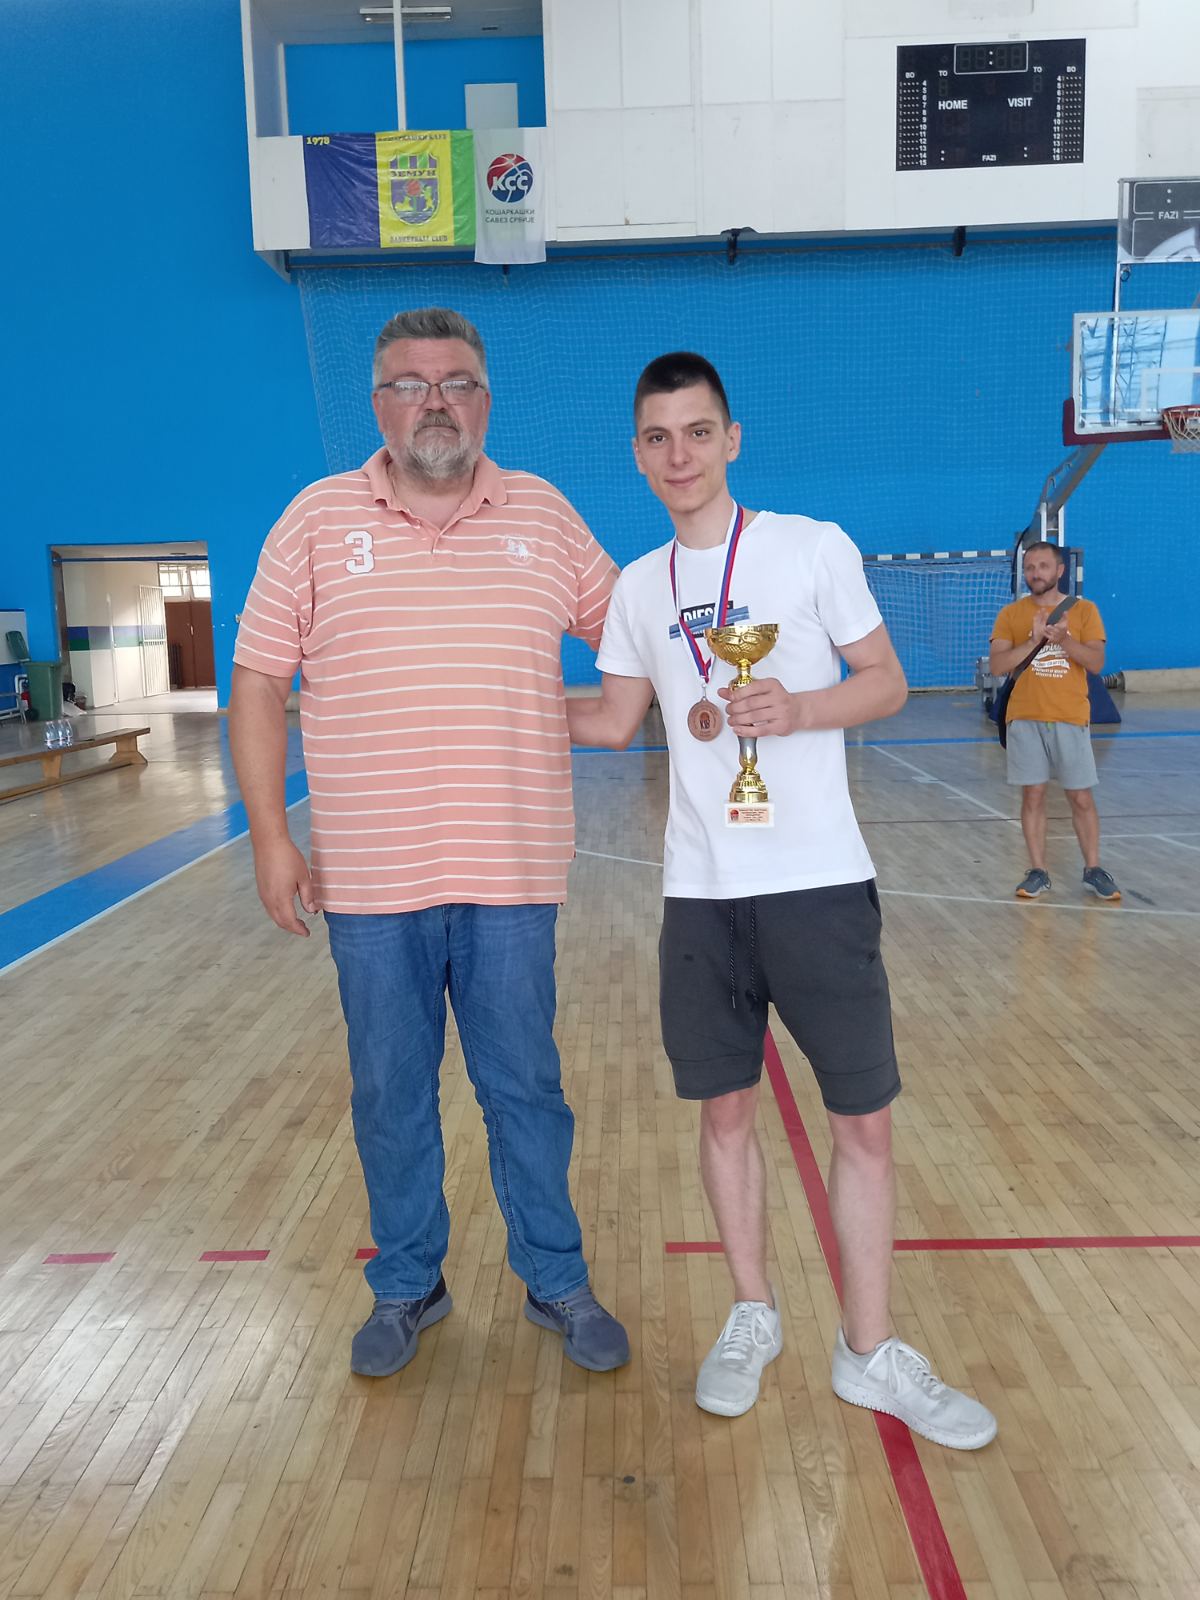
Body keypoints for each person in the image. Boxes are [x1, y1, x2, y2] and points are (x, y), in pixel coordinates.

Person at [568, 352, 997, 1448]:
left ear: (732, 439)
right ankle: (753, 1313)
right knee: (724, 1114)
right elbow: (611, 721)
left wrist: (798, 708)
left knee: (863, 1123)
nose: (679, 454)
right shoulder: (636, 587)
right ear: (637, 455)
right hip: (700, 895)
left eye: (697, 432)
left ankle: (869, 1350)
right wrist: (482, 696)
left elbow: (887, 682)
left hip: (818, 885)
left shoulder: (813, 547)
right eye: (658, 437)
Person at [229, 306, 629, 1378]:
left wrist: (614, 713)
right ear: (380, 405)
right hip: (370, 884)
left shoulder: (545, 513)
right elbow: (259, 682)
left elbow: (631, 631)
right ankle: (408, 1283)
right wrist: (271, 838)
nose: (435, 402)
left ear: (485, 401)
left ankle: (555, 1278)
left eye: (456, 383)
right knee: (390, 1097)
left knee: (526, 1091)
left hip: (512, 874)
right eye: (411, 384)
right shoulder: (316, 518)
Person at [990, 542, 1120, 902]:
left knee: (1080, 796)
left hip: (1069, 716)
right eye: (1030, 567)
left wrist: (1065, 641)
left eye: (1043, 566)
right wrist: (1032, 641)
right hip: (1024, 717)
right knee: (1032, 795)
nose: (1036, 573)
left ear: (1060, 570)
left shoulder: (1084, 611)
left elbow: (1096, 663)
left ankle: (1093, 869)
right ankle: (1038, 871)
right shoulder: (1011, 614)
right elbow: (998, 665)